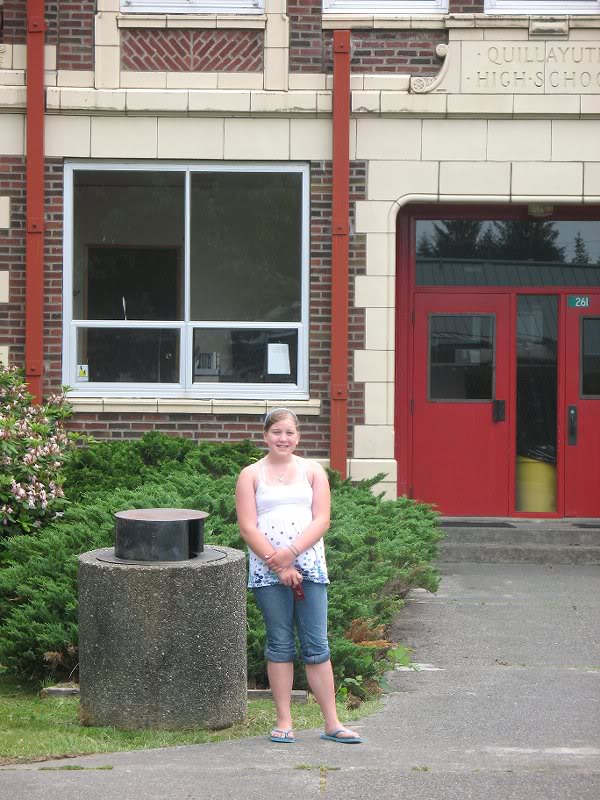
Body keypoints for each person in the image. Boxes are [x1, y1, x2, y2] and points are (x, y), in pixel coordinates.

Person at [235, 407, 362, 745]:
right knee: (279, 643)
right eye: (276, 432)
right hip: (268, 571)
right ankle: (284, 721)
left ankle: (332, 723)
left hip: (310, 567)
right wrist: (279, 565)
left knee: (317, 645)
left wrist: (291, 555)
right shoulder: (251, 474)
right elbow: (248, 527)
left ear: (297, 436)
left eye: (289, 433)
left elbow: (322, 520)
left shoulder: (312, 471)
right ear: (266, 436)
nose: (283, 439)